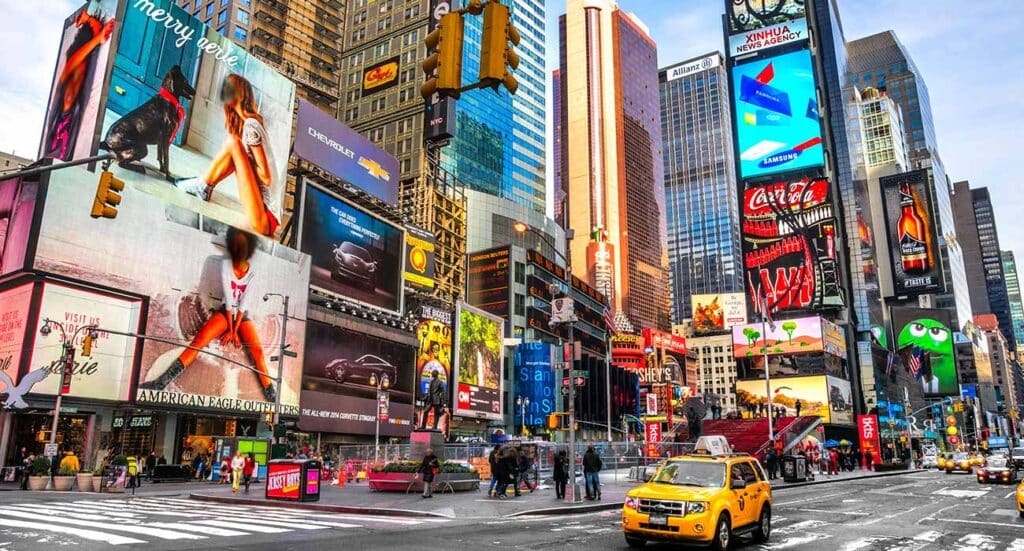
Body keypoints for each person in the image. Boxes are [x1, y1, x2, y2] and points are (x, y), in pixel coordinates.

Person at [139, 227, 277, 403]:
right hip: (225, 311)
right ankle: (159, 384)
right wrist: (229, 326)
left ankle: (272, 396)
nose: (239, 248)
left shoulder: (252, 270)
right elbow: (228, 297)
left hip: (242, 314)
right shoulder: (225, 265)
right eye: (236, 244)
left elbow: (244, 302)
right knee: (198, 343)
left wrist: (234, 331)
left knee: (257, 351)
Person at [176, 74, 280, 236]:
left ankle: (201, 186)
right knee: (234, 143)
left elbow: (266, 177)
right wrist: (242, 161)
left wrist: (243, 162)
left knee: (234, 143)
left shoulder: (251, 126)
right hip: (264, 214)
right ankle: (203, 186)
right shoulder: (252, 122)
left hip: (265, 218)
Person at [42, 5, 114, 160]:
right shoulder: (67, 106)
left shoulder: (66, 106)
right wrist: (95, 33)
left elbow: (76, 61)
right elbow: (73, 63)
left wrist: (91, 25)